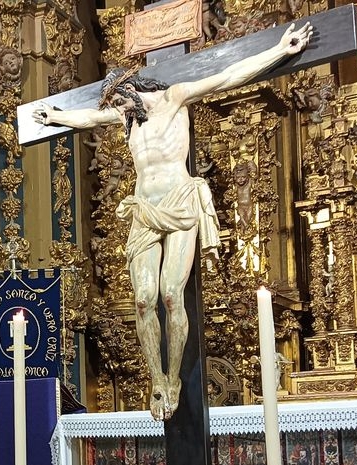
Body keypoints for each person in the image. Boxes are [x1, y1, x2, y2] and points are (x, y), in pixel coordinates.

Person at [33, 22, 314, 420]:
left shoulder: (175, 96)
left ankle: (175, 377)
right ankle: (157, 379)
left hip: (180, 199)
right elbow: (88, 120)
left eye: (124, 103)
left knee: (169, 294)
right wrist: (55, 118)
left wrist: (281, 51)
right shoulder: (126, 116)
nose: (121, 113)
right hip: (144, 208)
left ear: (134, 89)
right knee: (144, 299)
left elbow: (228, 75)